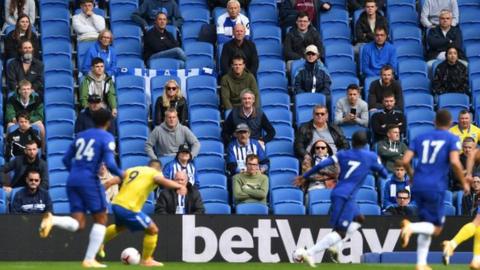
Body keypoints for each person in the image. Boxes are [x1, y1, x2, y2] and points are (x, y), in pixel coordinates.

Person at [38, 108, 124, 268]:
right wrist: (122, 175)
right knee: (101, 218)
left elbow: (65, 159)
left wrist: (77, 173)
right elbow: (111, 164)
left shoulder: (81, 136)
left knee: (79, 224)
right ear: (108, 122)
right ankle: (89, 259)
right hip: (89, 180)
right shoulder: (107, 137)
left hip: (73, 180)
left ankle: (53, 219)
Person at [293, 130, 388, 267]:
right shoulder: (370, 156)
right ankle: (307, 253)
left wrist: (304, 176)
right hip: (345, 196)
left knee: (359, 219)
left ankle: (337, 246)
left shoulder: (343, 154)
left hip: (340, 192)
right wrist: (377, 163)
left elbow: (320, 165)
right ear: (366, 143)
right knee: (340, 231)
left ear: (352, 142)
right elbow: (384, 174)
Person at [400, 109, 468, 270]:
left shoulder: (420, 138)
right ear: (451, 123)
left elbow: (405, 160)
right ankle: (411, 227)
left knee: (426, 222)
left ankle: (421, 263)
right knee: (436, 228)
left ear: (434, 122)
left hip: (418, 185)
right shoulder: (452, 138)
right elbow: (455, 162)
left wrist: (412, 175)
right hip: (435, 186)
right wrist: (464, 182)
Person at [98, 162, 188, 266]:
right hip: (129, 207)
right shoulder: (154, 173)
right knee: (152, 230)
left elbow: (109, 183)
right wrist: (179, 186)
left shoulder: (131, 169)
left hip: (117, 204)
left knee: (120, 227)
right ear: (160, 170)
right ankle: (146, 260)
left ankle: (100, 241)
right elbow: (160, 180)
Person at [5, 80, 45, 145]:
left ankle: (43, 151)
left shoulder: (37, 99)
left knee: (41, 126)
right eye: (23, 89)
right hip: (18, 122)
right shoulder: (12, 99)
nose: (26, 91)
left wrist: (27, 120)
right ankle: (7, 147)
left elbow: (40, 116)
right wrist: (14, 118)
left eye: (28, 89)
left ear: (31, 90)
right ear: (19, 90)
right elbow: (9, 114)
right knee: (9, 125)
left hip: (31, 121)